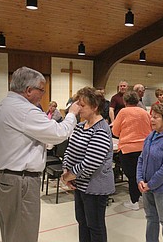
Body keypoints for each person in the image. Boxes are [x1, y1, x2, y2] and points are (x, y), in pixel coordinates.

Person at [0, 66, 80, 242]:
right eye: (41, 90)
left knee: (10, 231)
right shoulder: (25, 110)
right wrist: (71, 114)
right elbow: (59, 133)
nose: (42, 94)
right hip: (21, 181)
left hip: (6, 178)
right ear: (28, 90)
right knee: (23, 234)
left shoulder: (3, 105)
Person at [61, 86, 115, 242]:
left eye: (82, 105)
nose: (78, 108)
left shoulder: (101, 130)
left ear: (95, 107)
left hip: (95, 187)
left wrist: (69, 176)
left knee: (95, 226)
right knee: (82, 223)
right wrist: (66, 170)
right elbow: (69, 151)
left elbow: (91, 162)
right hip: (80, 185)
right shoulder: (80, 127)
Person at [137, 103, 163, 242]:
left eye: (156, 117)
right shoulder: (151, 136)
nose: (152, 120)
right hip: (146, 187)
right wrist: (140, 180)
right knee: (151, 219)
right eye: (151, 117)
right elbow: (141, 159)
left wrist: (151, 184)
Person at [112, 91, 151, 210]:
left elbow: (115, 131)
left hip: (128, 149)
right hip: (144, 148)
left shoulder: (123, 112)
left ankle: (134, 201)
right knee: (141, 175)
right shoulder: (144, 112)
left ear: (125, 101)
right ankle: (141, 197)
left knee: (132, 176)